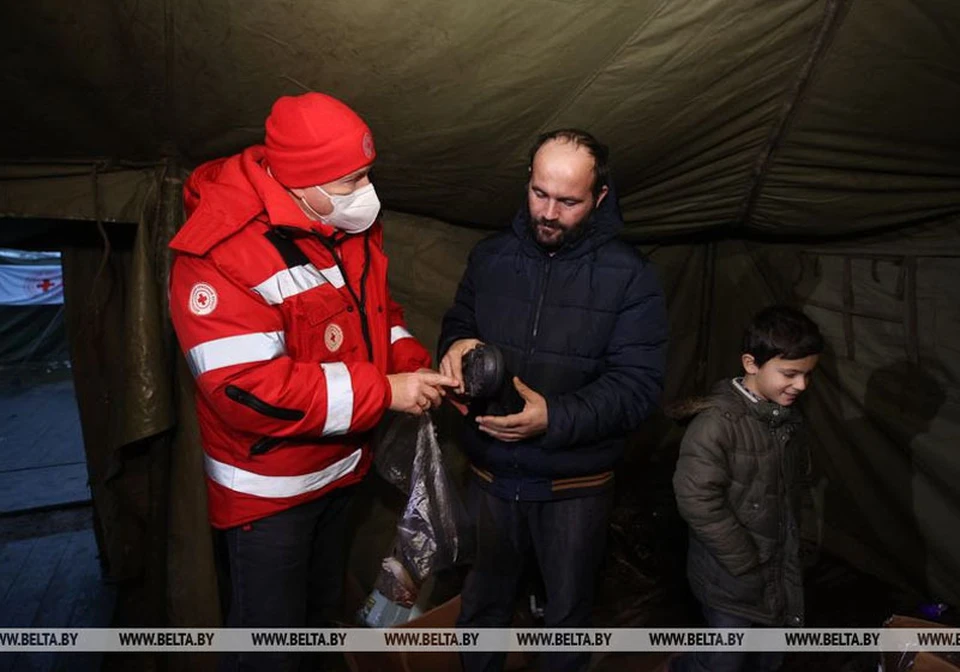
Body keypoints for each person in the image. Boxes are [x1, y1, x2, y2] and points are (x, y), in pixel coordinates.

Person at [168, 92, 456, 671]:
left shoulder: (343, 222)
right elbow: (248, 390)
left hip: (339, 474)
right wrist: (386, 393)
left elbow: (375, 316)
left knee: (321, 618)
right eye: (352, 180)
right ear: (300, 181)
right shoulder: (219, 255)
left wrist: (410, 363)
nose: (366, 192)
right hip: (268, 497)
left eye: (368, 174)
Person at [439, 129, 668, 672]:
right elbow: (458, 323)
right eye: (540, 193)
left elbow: (638, 388)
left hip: (575, 489)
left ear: (600, 198)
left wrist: (555, 417)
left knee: (566, 624)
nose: (548, 212)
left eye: (568, 202)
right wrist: (455, 347)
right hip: (491, 479)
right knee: (482, 610)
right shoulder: (490, 256)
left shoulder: (631, 277)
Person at [670, 305, 824, 672]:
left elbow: (792, 488)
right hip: (730, 577)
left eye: (808, 375)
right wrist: (743, 559)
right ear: (751, 364)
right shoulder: (715, 425)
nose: (801, 385)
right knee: (725, 658)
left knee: (768, 656)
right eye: (790, 374)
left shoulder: (787, 420)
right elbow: (696, 500)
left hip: (777, 568)